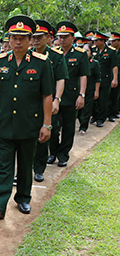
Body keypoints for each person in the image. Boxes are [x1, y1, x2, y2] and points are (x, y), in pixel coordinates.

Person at [0, 15, 54, 219]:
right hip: (4, 123)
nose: (17, 42)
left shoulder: (41, 63)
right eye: (14, 37)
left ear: (30, 39)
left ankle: (23, 197)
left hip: (29, 124)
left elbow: (47, 95)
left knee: (25, 165)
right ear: (9, 38)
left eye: (22, 38)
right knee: (3, 165)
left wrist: (47, 124)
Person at [30, 20, 68, 182]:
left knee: (44, 135)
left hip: (47, 101)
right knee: (26, 137)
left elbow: (61, 79)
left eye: (40, 37)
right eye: (34, 37)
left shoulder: (56, 56)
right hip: (29, 102)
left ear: (48, 37)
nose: (36, 40)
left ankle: (39, 168)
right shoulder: (26, 54)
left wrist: (56, 99)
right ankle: (24, 169)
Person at [49, 21, 88, 167]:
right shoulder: (53, 54)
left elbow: (83, 75)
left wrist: (81, 95)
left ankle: (63, 154)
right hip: (54, 97)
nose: (62, 39)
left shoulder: (80, 54)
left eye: (66, 36)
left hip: (71, 96)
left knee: (69, 127)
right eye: (60, 36)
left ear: (73, 38)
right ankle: (52, 152)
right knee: (52, 126)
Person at [89, 31, 118, 127]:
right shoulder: (93, 50)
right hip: (93, 79)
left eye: (96, 41)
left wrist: (115, 79)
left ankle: (101, 119)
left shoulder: (111, 51)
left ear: (102, 41)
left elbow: (114, 66)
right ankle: (95, 115)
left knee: (103, 100)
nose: (94, 43)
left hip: (105, 79)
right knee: (93, 99)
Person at [77, 44, 101, 134]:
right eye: (83, 50)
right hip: (78, 90)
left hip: (89, 90)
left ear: (91, 52)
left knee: (86, 110)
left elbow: (97, 79)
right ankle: (80, 122)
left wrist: (96, 91)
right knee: (78, 111)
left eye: (87, 51)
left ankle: (83, 127)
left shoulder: (94, 63)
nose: (85, 52)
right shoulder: (78, 62)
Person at [108, 31, 120, 118]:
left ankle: (115, 110)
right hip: (111, 76)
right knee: (110, 95)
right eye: (111, 41)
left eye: (114, 41)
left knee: (117, 95)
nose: (111, 43)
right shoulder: (110, 51)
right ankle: (110, 112)